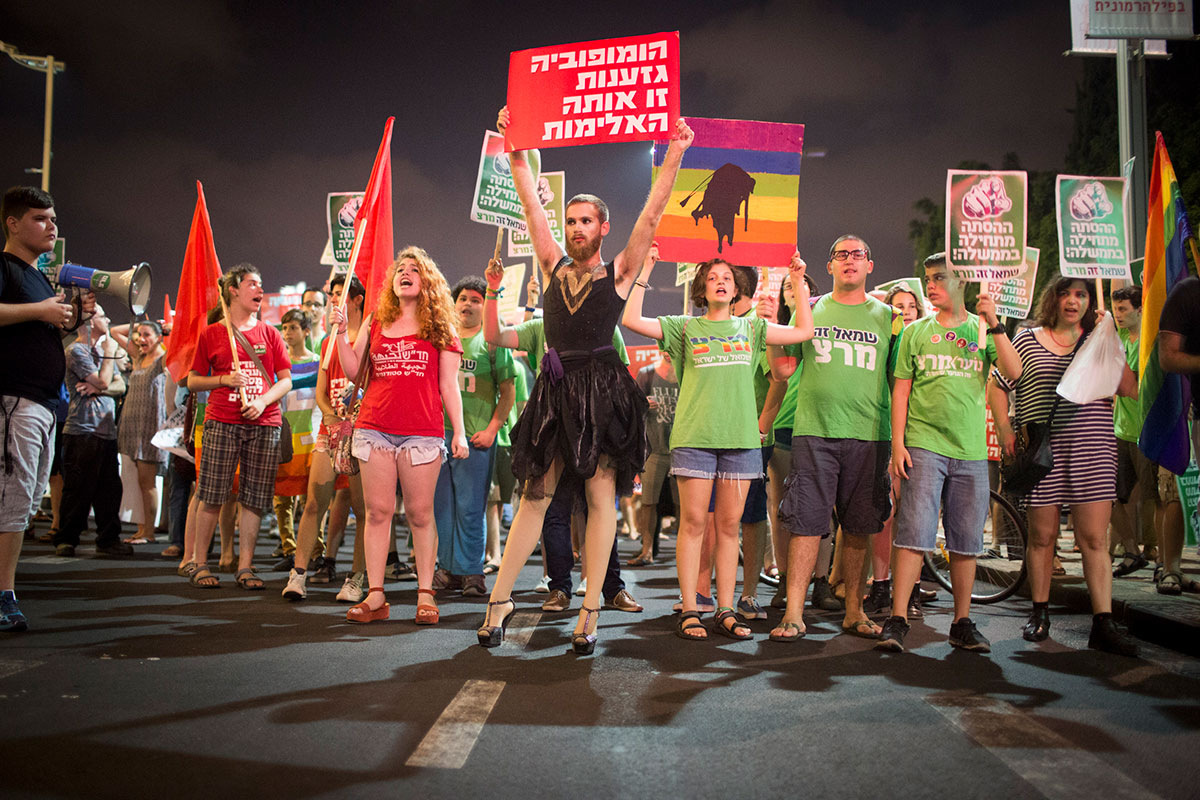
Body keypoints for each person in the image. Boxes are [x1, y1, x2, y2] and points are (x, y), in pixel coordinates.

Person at [476, 106, 692, 654]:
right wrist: (516, 147)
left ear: (603, 228)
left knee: (600, 498)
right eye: (570, 221)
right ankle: (499, 601)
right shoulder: (550, 265)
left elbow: (650, 219)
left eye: (585, 221)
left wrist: (674, 153)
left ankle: (591, 609)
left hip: (601, 392)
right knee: (535, 496)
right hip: (555, 392)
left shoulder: (619, 271)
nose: (574, 228)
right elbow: (530, 206)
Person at [624, 252, 813, 641]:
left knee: (730, 529)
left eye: (727, 277)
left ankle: (725, 609)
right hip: (695, 439)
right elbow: (630, 320)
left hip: (741, 442)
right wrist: (646, 271)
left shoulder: (753, 328)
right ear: (702, 288)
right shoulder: (684, 327)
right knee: (693, 525)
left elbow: (802, 333)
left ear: (737, 287)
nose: (721, 282)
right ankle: (691, 609)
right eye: (712, 278)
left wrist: (798, 282)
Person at [988, 276, 1139, 656]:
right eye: (1066, 293)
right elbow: (998, 383)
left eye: (1081, 294)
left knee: (1093, 539)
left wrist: (1111, 337)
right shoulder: (1025, 338)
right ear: (1052, 299)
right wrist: (1005, 427)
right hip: (1043, 452)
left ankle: (1102, 622)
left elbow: (1128, 388)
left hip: (1093, 449)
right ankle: (1039, 613)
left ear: (1090, 300)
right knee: (1042, 537)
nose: (1073, 301)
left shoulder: (1099, 338)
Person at [876, 253, 1020, 653]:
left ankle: (962, 621)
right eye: (929, 278)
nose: (932, 285)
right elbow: (900, 390)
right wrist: (898, 444)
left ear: (962, 283)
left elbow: (1014, 370)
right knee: (913, 535)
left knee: (966, 540)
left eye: (940, 278)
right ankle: (898, 618)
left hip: (969, 450)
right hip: (924, 445)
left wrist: (995, 324)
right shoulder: (916, 332)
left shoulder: (980, 330)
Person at [484, 268, 644, 614]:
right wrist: (493, 292)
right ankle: (559, 589)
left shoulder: (604, 326)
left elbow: (621, 372)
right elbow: (494, 334)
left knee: (599, 507)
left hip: (596, 430)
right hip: (553, 428)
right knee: (551, 511)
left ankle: (610, 590)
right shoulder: (538, 327)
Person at [767, 235, 902, 643]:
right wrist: (782, 318)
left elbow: (900, 380)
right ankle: (794, 613)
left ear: (869, 266)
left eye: (857, 255)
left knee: (859, 525)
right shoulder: (810, 311)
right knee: (807, 523)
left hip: (869, 435)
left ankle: (854, 610)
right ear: (828, 267)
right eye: (840, 255)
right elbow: (783, 372)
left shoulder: (888, 317)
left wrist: (898, 440)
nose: (848, 261)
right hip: (816, 432)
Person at [334, 247, 468, 624]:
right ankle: (376, 596)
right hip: (374, 427)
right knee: (378, 513)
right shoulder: (376, 321)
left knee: (420, 514)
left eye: (414, 269)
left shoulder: (441, 326)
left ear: (427, 282)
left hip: (421, 433)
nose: (405, 273)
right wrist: (343, 333)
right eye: (400, 269)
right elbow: (352, 371)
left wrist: (458, 432)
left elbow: (448, 385)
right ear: (392, 282)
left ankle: (425, 594)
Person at [1, 187, 97, 632]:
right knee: (12, 498)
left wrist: (73, 320)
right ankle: (4, 594)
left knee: (23, 500)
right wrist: (40, 309)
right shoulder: (6, 268)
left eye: (54, 218)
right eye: (40, 218)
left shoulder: (40, 279)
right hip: (14, 399)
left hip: (41, 402)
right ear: (13, 223)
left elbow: (42, 338)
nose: (52, 226)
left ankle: (7, 589)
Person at [187, 264, 293, 590]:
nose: (259, 290)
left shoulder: (270, 333)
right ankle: (200, 562)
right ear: (233, 290)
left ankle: (245, 565)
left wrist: (262, 402)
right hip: (222, 421)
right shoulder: (212, 333)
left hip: (264, 423)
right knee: (213, 494)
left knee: (253, 499)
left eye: (261, 285)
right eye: (252, 284)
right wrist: (223, 379)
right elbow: (192, 381)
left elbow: (285, 380)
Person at [284, 275, 367, 602]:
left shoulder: (370, 336)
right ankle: (298, 573)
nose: (335, 300)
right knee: (314, 501)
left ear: (357, 299)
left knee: (362, 509)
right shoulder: (328, 339)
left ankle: (356, 578)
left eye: (340, 294)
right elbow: (321, 390)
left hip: (362, 433)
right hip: (329, 432)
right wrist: (329, 415)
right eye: (332, 294)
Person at [432, 276, 516, 597]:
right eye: (463, 299)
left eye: (476, 300)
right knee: (443, 506)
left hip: (477, 436)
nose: (467, 304)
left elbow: (508, 391)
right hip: (440, 435)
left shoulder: (492, 341)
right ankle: (447, 569)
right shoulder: (441, 339)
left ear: (486, 306)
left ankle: (471, 573)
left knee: (470, 506)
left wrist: (492, 429)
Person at [53, 305, 135, 558]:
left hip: (105, 431)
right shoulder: (76, 350)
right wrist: (108, 361)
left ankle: (108, 538)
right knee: (78, 487)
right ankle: (67, 539)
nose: (108, 318)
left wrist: (100, 386)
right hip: (82, 430)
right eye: (101, 314)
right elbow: (102, 380)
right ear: (88, 322)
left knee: (109, 489)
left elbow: (118, 385)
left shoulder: (102, 351)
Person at [1108, 286, 1158, 576]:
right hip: (1119, 430)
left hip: (1145, 429)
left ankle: (1154, 549)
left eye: (1124, 309)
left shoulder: (1149, 343)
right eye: (1116, 309)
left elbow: (1141, 390)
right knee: (1112, 495)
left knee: (1153, 495)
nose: (1119, 315)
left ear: (1140, 309)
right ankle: (1130, 549)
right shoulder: (1119, 339)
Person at [109, 319, 171, 544]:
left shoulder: (162, 359)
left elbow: (179, 347)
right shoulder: (138, 357)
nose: (141, 339)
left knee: (148, 483)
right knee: (134, 482)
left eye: (147, 335)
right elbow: (115, 330)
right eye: (139, 335)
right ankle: (141, 528)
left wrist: (165, 328)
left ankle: (149, 533)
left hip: (149, 428)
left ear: (158, 339)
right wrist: (139, 322)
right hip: (130, 425)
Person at [1156, 274, 1200, 594]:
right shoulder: (1188, 293)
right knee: (1175, 493)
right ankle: (1170, 567)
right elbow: (1168, 356)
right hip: (1186, 415)